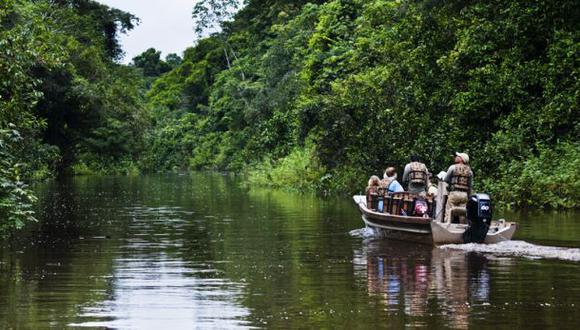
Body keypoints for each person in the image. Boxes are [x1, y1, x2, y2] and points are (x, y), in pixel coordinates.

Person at [443, 152, 473, 223]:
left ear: (461, 159)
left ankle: (447, 226)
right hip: (464, 195)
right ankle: (462, 228)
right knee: (462, 214)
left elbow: (446, 179)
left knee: (449, 212)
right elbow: (470, 185)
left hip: (454, 193)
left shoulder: (452, 167)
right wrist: (469, 197)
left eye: (458, 156)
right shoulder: (470, 171)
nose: (456, 157)